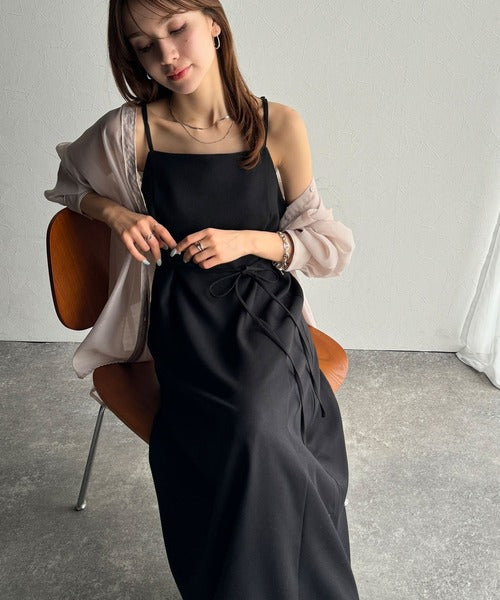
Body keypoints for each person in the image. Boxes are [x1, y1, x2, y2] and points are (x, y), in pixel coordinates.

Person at [44, 0, 360, 598]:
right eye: (144, 45)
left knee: (261, 431)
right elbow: (69, 183)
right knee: (247, 433)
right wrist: (116, 214)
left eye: (177, 28)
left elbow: (329, 247)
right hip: (185, 320)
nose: (166, 55)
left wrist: (248, 240)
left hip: (266, 315)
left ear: (214, 22)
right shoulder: (132, 132)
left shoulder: (279, 126)